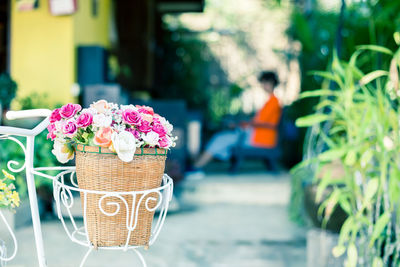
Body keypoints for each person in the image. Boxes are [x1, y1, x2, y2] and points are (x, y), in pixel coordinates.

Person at [191, 71, 282, 175]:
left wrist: (245, 125)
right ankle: (197, 165)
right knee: (221, 138)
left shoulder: (274, 102)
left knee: (220, 139)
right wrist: (244, 124)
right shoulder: (270, 101)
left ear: (270, 83)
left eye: (263, 82)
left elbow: (270, 125)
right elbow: (259, 122)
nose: (262, 85)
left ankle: (196, 167)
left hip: (259, 139)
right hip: (253, 135)